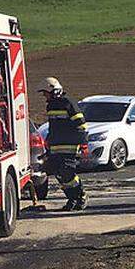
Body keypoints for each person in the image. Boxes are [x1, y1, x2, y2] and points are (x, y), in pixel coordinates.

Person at [39, 77, 88, 211]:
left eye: (46, 93)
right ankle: (72, 198)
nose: (45, 96)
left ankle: (80, 196)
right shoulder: (50, 106)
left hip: (70, 145)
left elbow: (81, 124)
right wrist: (48, 141)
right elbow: (53, 126)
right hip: (55, 145)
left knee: (68, 172)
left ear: (54, 91)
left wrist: (83, 144)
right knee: (59, 174)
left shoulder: (69, 103)